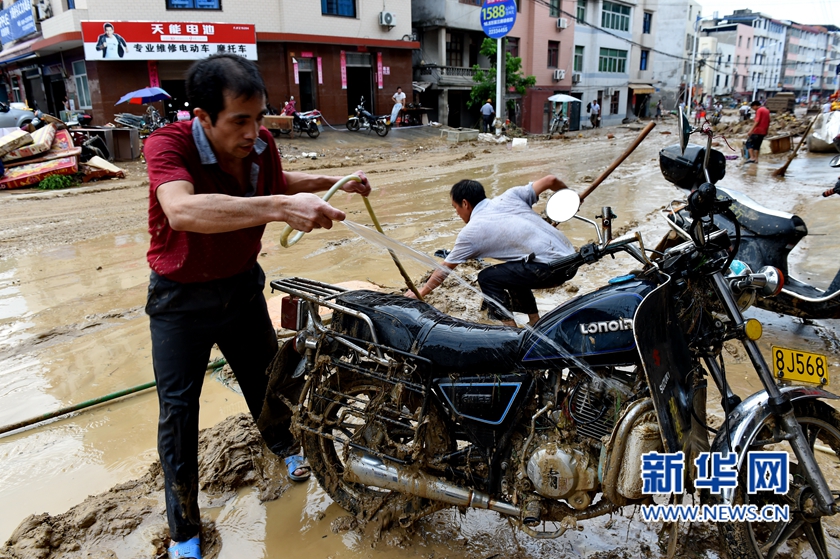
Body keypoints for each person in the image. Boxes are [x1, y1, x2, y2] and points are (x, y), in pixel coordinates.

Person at [143, 54, 371, 559]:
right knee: (178, 411)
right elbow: (180, 210)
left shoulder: (262, 145)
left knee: (269, 380)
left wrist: (331, 183)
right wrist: (281, 208)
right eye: (239, 120)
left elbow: (277, 183)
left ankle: (286, 448)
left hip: (243, 287)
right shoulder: (168, 144)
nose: (254, 131)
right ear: (202, 117)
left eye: (260, 117)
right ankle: (184, 531)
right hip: (180, 298)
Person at [406, 176, 576, 327]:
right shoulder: (511, 195)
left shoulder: (472, 232)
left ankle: (510, 329)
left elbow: (444, 270)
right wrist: (570, 197)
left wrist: (420, 292)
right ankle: (535, 322)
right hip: (572, 259)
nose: (457, 213)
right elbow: (550, 181)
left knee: (487, 278)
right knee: (511, 270)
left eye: (455, 207)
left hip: (551, 270)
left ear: (465, 203)